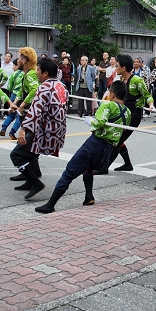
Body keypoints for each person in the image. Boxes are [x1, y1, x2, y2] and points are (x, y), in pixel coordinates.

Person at [34, 81, 130, 214]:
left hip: (95, 144)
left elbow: (98, 123)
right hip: (108, 150)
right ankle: (89, 196)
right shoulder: (128, 112)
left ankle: (51, 204)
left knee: (69, 172)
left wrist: (90, 121)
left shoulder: (108, 105)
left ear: (112, 95)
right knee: (88, 168)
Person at [8, 57, 68, 198]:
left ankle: (36, 182)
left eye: (38, 70)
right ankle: (30, 180)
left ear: (45, 73)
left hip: (43, 130)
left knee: (17, 155)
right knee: (31, 153)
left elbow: (36, 111)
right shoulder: (61, 86)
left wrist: (23, 129)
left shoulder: (44, 87)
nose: (36, 73)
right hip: (56, 130)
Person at [96, 54, 154, 175]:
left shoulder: (137, 80)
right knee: (119, 138)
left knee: (116, 140)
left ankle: (104, 167)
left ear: (123, 68)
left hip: (134, 115)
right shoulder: (122, 80)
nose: (115, 68)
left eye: (117, 66)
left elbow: (147, 95)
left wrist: (151, 105)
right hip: (124, 115)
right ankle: (127, 164)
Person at [7, 48, 40, 140]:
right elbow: (21, 90)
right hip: (28, 113)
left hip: (31, 113)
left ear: (24, 60)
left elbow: (34, 90)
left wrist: (21, 105)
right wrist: (14, 103)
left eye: (19, 58)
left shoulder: (31, 74)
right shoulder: (26, 74)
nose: (17, 61)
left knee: (23, 147)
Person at [0, 57, 25, 136]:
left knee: (11, 114)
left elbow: (9, 87)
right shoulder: (26, 73)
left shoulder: (14, 74)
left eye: (14, 65)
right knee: (20, 115)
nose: (13, 67)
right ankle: (12, 132)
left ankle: (4, 128)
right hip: (22, 96)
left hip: (14, 95)